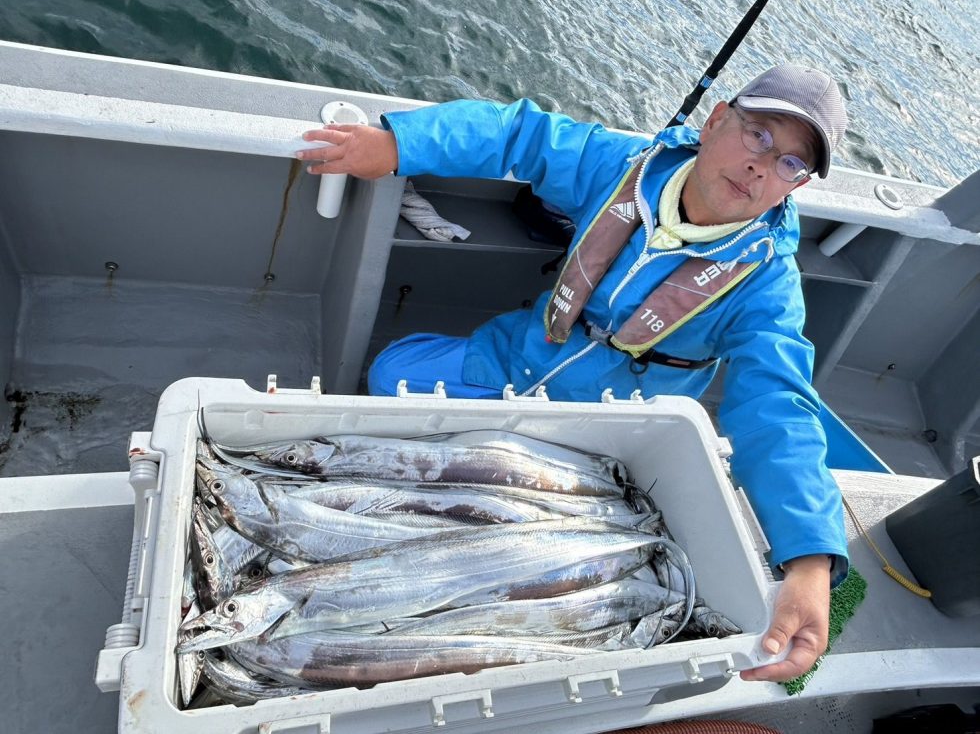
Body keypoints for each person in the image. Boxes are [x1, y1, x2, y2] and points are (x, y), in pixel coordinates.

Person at [296, 63, 849, 684]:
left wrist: (810, 561)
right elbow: (520, 135)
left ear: (794, 188)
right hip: (518, 358)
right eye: (759, 136)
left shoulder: (767, 283)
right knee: (393, 372)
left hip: (604, 434)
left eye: (790, 165)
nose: (761, 167)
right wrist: (399, 145)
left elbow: (778, 405)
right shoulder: (623, 166)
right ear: (717, 119)